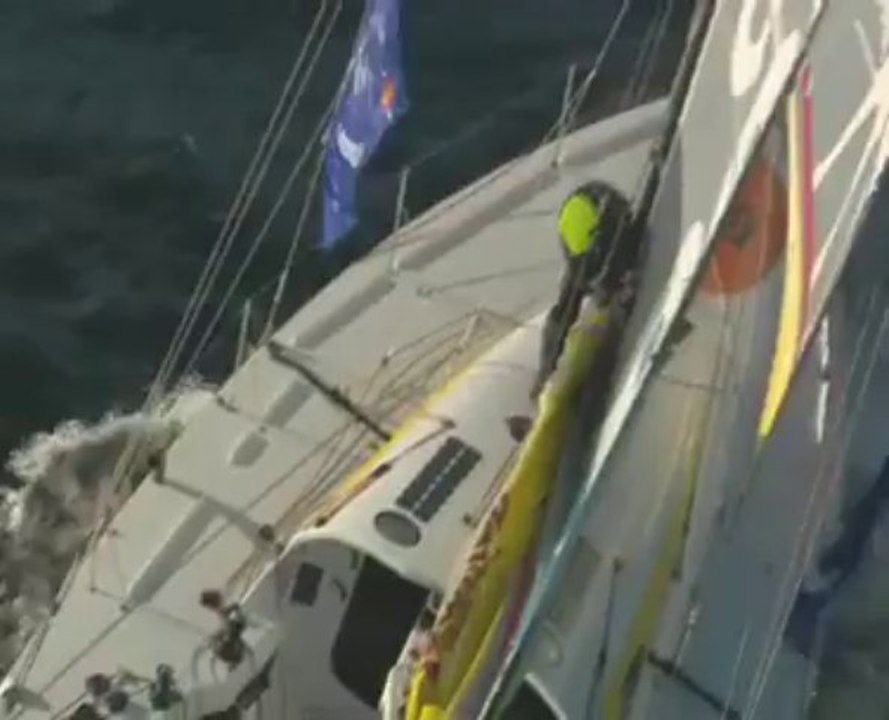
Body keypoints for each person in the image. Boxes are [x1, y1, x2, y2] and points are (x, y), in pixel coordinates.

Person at [532, 182, 628, 398]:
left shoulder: (616, 239)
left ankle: (547, 372)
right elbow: (562, 316)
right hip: (588, 223)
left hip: (603, 223)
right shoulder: (579, 267)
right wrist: (546, 373)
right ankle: (546, 373)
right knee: (568, 303)